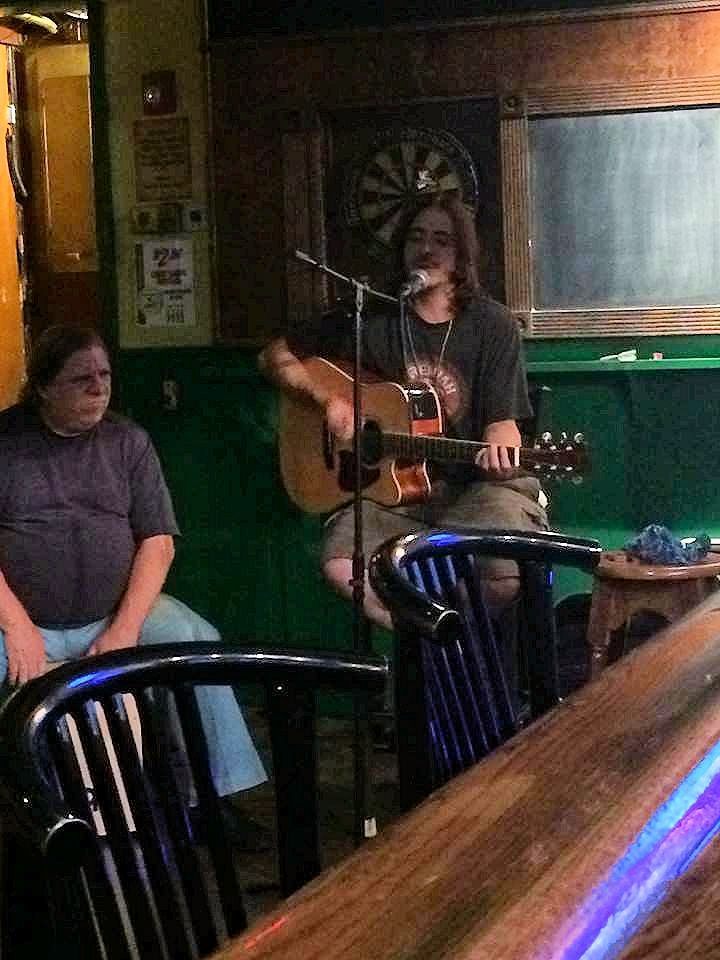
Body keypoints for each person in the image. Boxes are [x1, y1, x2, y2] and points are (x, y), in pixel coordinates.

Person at [0, 324, 267, 809]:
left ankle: (215, 796)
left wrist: (124, 628)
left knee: (194, 639)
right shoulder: (6, 442)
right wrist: (16, 624)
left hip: (112, 610)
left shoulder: (127, 441)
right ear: (43, 387)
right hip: (18, 618)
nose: (98, 388)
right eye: (81, 379)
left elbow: (158, 543)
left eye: (104, 375)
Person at [260, 193, 548, 631]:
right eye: (416, 237)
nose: (427, 249)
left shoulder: (492, 324)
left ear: (462, 255)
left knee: (503, 574)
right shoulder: (369, 316)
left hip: (474, 489)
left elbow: (502, 424)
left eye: (441, 240)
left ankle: (452, 640)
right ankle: (422, 635)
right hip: (393, 494)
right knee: (341, 564)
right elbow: (274, 356)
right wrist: (326, 400)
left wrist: (502, 450)